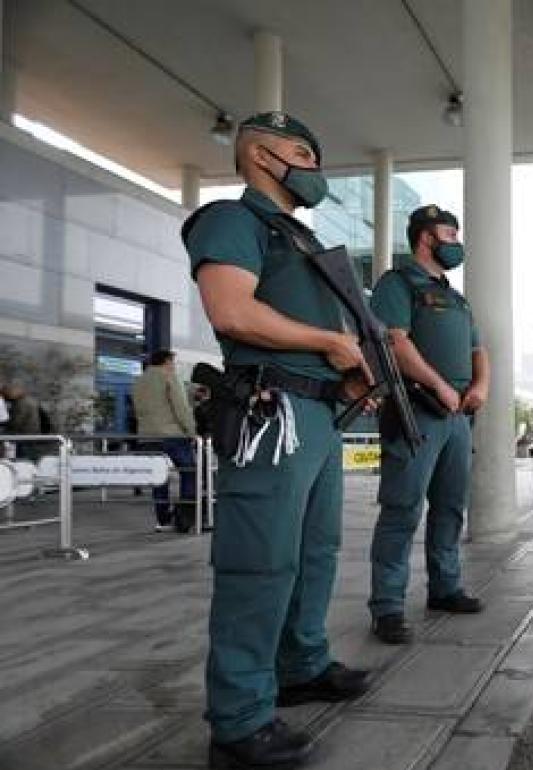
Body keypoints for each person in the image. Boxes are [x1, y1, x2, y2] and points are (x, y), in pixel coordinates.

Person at [183, 111, 372, 769]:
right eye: (302, 153)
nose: (314, 168)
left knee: (315, 551)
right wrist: (328, 343)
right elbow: (232, 310)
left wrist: (345, 376)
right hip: (274, 412)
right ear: (261, 155)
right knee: (258, 560)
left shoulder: (298, 239)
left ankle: (301, 663)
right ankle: (238, 721)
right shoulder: (233, 221)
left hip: (317, 411)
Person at [368, 203, 488, 645]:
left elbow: (480, 348)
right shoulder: (397, 284)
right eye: (450, 235)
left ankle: (445, 587)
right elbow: (394, 342)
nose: (457, 243)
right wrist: (438, 385)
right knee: (402, 510)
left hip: (457, 416)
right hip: (415, 409)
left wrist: (482, 385)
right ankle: (387, 607)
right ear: (426, 238)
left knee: (451, 507)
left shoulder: (456, 297)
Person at [131, 350, 198, 532]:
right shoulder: (168, 376)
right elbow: (181, 408)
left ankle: (163, 520)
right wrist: (191, 432)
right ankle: (185, 518)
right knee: (190, 471)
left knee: (159, 478)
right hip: (172, 435)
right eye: (173, 362)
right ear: (167, 361)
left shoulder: (138, 381)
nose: (174, 366)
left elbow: (137, 411)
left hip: (146, 437)